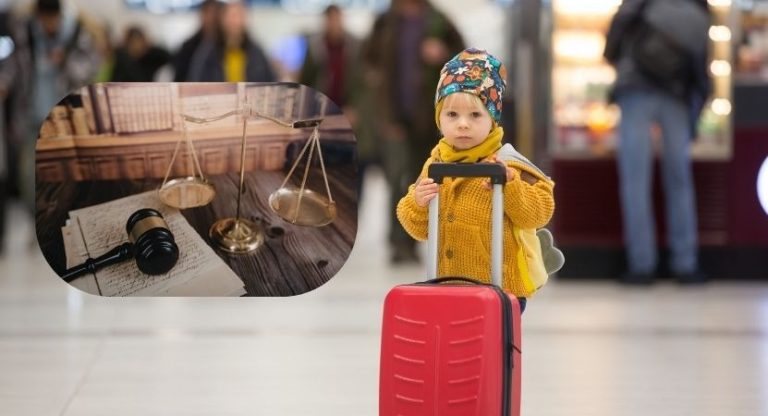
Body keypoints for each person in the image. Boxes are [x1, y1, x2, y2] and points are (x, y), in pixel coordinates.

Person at [396, 49, 556, 311]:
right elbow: (420, 230)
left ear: (492, 119)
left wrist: (511, 186)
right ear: (439, 120)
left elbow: (538, 214)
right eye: (451, 115)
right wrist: (417, 203)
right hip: (449, 287)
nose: (462, 125)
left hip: (503, 289)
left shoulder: (509, 163)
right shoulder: (437, 162)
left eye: (475, 115)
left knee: (490, 349)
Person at [604, 0, 711, 284]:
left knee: (635, 181)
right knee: (679, 180)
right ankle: (685, 264)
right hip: (677, 96)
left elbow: (612, 42)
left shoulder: (638, 4)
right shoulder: (697, 8)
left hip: (635, 90)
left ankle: (642, 265)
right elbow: (701, 62)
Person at [362, 0, 464, 264]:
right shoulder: (385, 21)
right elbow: (367, 63)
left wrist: (443, 53)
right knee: (397, 179)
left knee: (427, 181)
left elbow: (465, 60)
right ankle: (398, 242)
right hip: (393, 118)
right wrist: (380, 111)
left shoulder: (439, 20)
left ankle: (420, 240)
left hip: (430, 121)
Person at [0, 0, 102, 215]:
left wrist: (65, 60)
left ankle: (59, 216)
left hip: (64, 118)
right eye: (44, 20)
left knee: (64, 174)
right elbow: (13, 64)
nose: (48, 25)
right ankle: (35, 218)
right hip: (30, 115)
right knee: (29, 176)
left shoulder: (77, 33)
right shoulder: (25, 32)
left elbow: (92, 66)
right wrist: (5, 83)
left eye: (52, 19)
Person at [185, 0, 275, 82]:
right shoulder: (207, 53)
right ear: (222, 19)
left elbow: (270, 81)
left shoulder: (256, 53)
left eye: (239, 15)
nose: (235, 21)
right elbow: (195, 81)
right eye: (232, 16)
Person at [172, 0, 220, 82]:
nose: (211, 18)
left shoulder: (227, 45)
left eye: (215, 13)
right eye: (207, 13)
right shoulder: (188, 47)